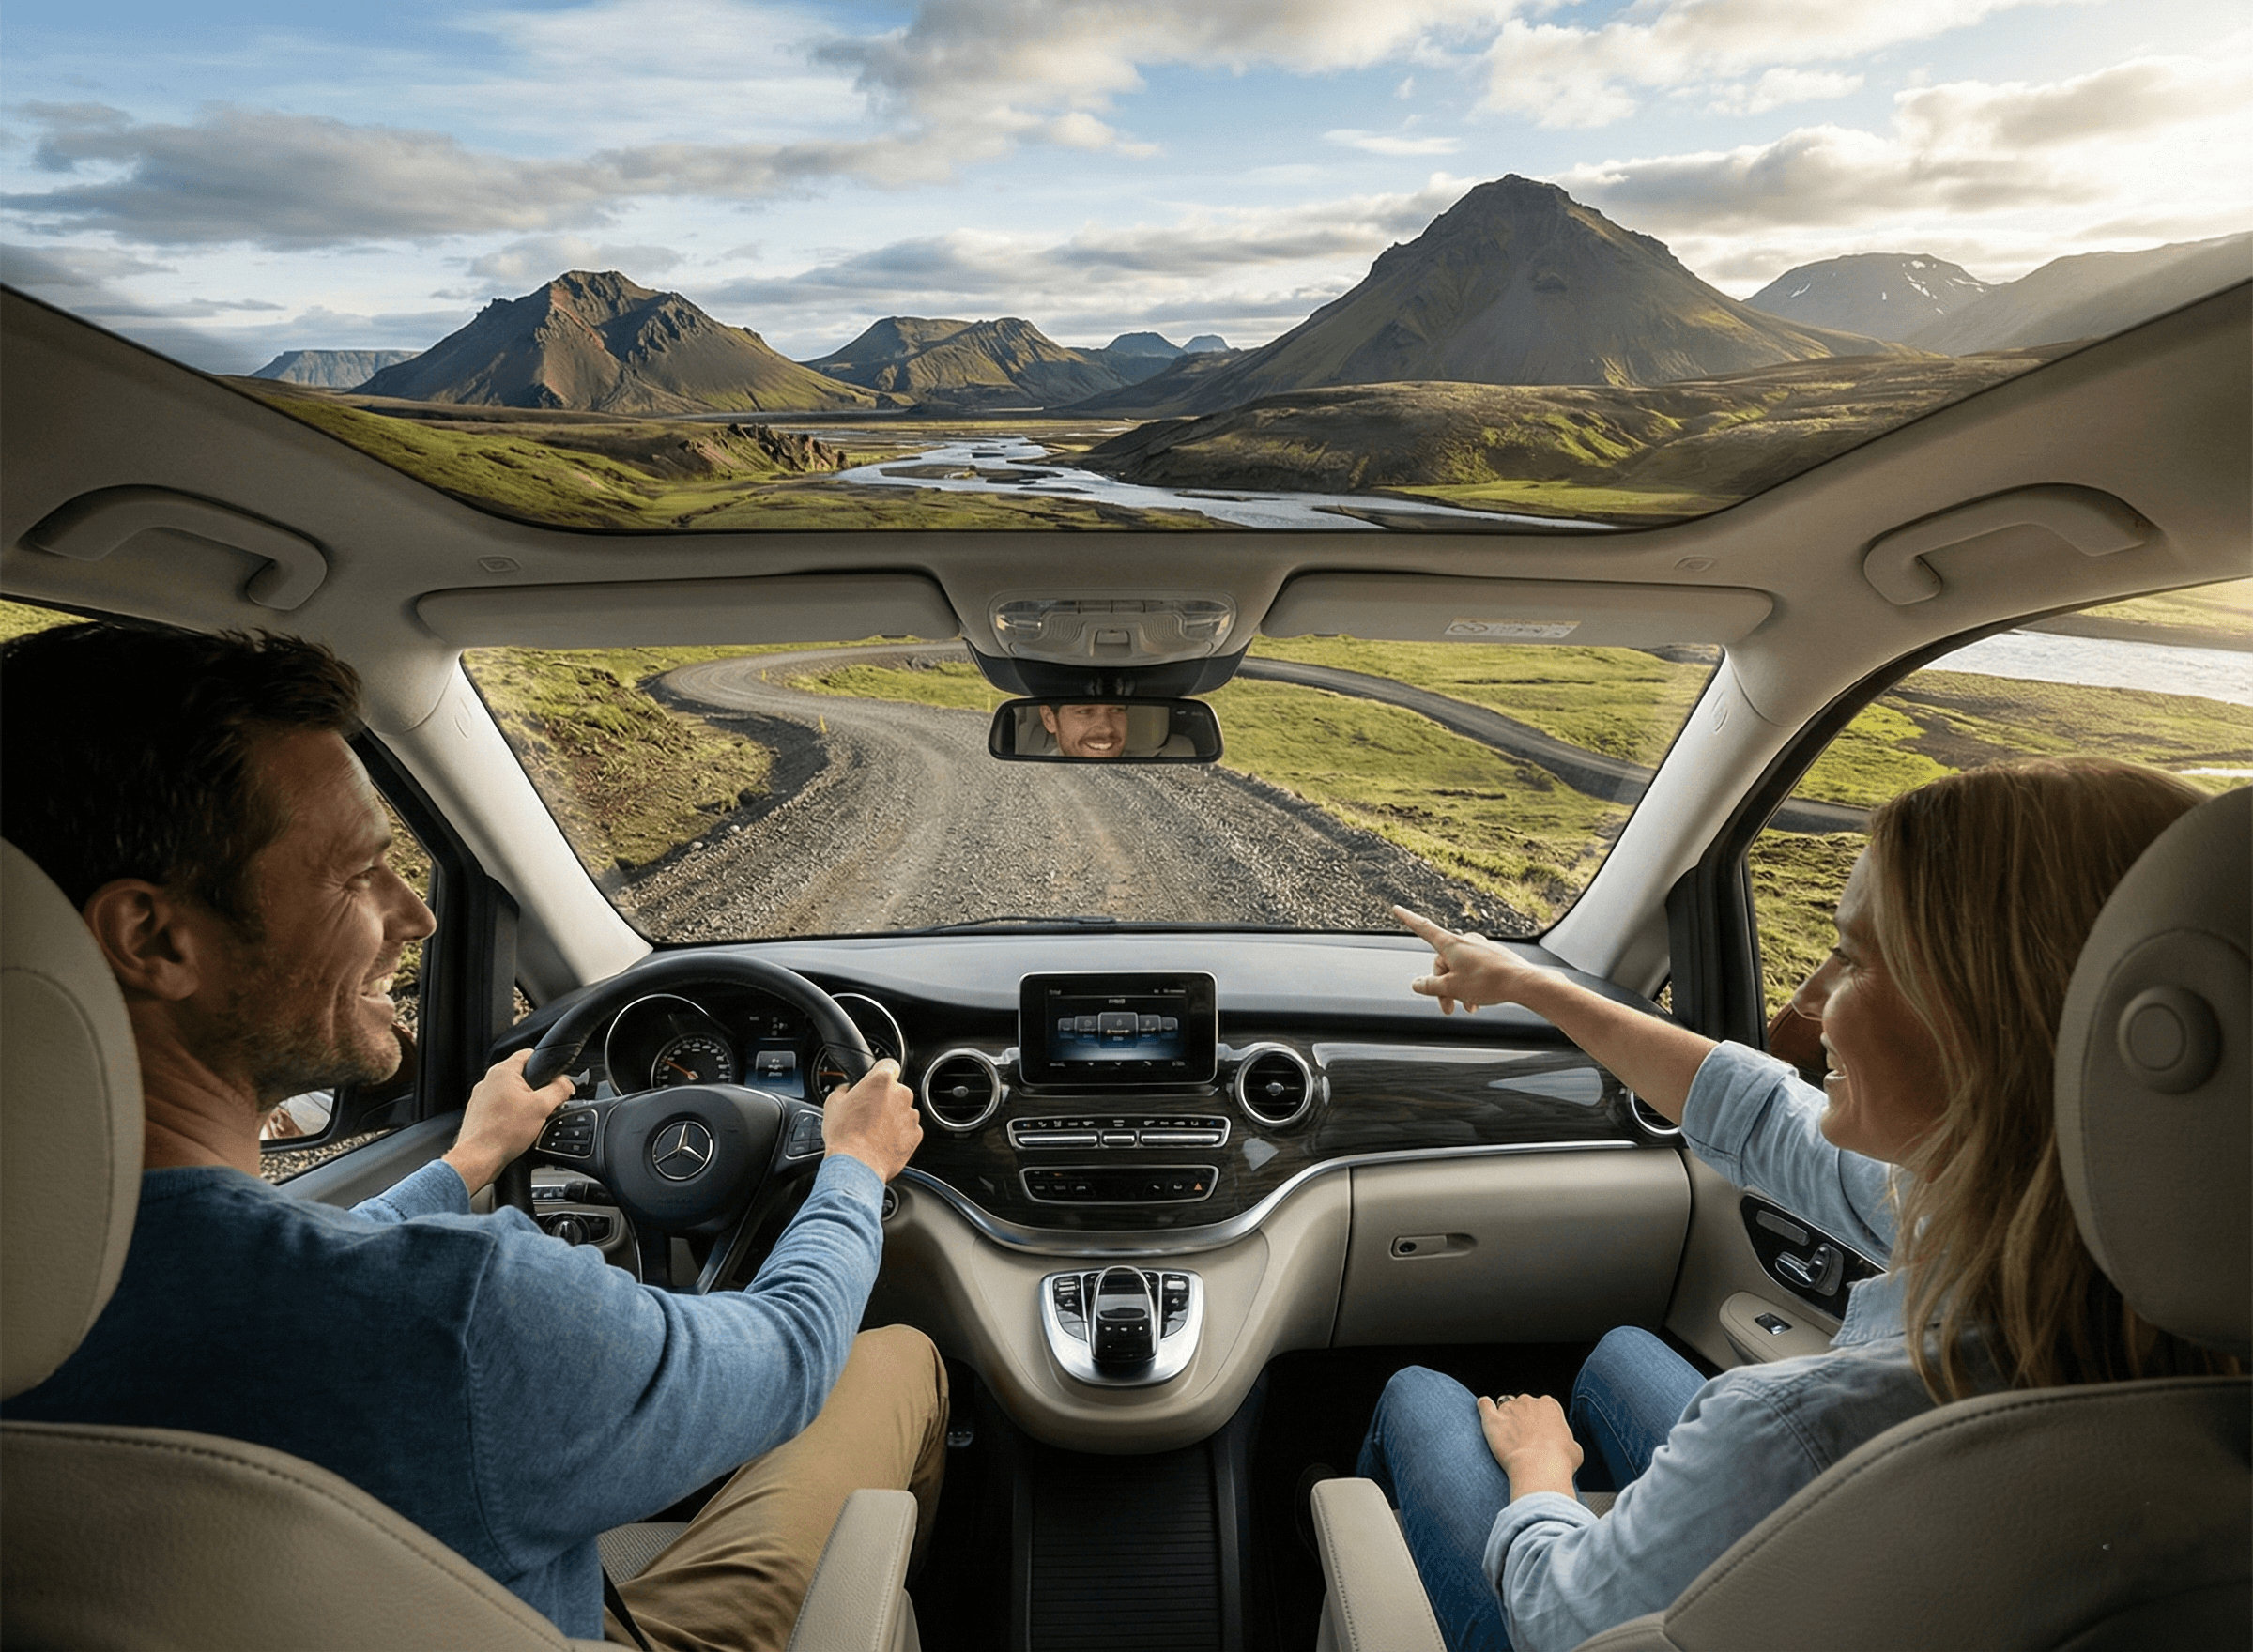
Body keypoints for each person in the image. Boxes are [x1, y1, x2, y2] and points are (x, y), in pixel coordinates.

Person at [0, 621, 945, 1652]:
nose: (418, 914)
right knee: (893, 1358)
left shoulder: (52, 1282)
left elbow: (277, 1275)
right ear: (153, 937)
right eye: (359, 872)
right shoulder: (458, 1315)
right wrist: (852, 1166)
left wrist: (464, 1164)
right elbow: (791, 1353)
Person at [1363, 757, 2237, 1652]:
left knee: (1421, 1398)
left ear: (1992, 1023)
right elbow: (1766, 1118)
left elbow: (1552, 1620)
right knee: (1625, 1352)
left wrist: (1541, 1474)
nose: (1810, 1001)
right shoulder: (2044, 1236)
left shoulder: (1790, 1429)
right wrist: (1534, 985)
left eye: (1853, 959)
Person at [1040, 700, 1129, 757]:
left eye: (1116, 710)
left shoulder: (1141, 772)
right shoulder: (1034, 777)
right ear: (1049, 719)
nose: (1106, 729)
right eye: (1084, 712)